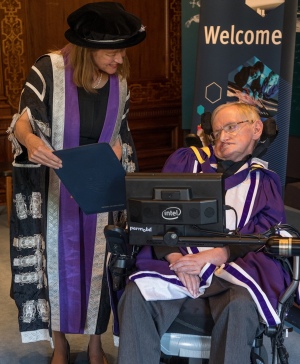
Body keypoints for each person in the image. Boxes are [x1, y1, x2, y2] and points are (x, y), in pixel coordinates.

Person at [6, 2, 146, 364]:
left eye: (122, 52)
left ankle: (96, 344)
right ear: (88, 48)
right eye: (112, 52)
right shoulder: (48, 70)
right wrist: (30, 141)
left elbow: (123, 132)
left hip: (98, 181)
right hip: (55, 179)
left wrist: (118, 150)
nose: (119, 60)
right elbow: (23, 119)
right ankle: (61, 344)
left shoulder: (120, 81)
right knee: (56, 263)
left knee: (99, 265)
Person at [116, 102, 292, 364]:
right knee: (137, 293)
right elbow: (157, 216)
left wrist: (216, 256)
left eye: (231, 127)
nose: (223, 137)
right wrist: (176, 259)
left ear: (256, 129)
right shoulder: (187, 161)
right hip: (178, 264)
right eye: (217, 131)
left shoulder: (264, 182)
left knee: (241, 305)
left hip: (233, 271)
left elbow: (265, 236)